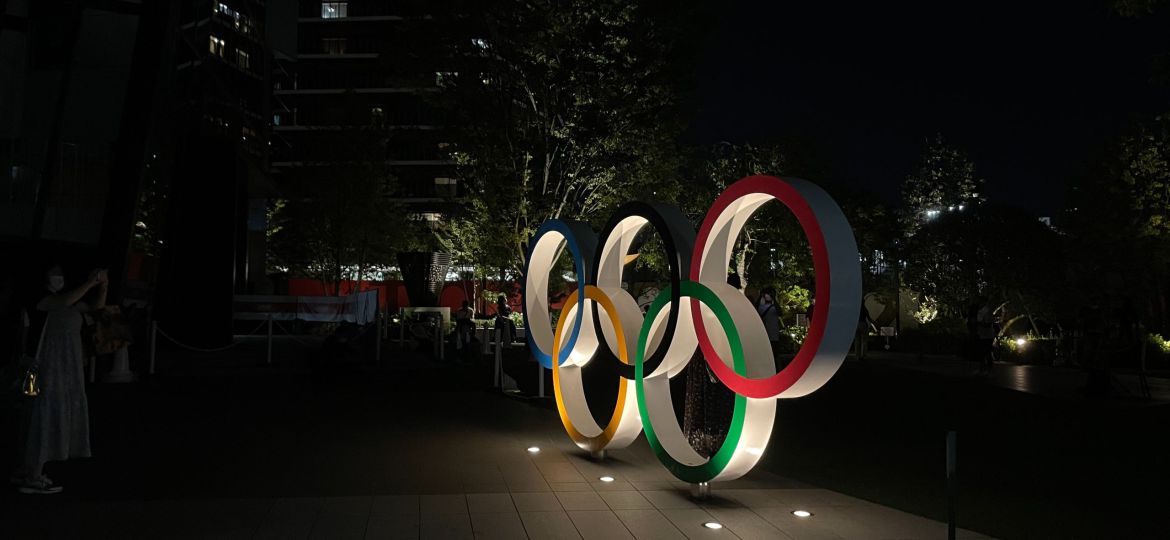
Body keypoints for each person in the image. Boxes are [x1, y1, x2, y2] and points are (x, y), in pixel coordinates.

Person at [12, 264, 106, 494]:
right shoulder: (42, 299)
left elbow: (95, 309)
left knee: (40, 413)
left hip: (63, 369)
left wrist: (103, 285)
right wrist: (91, 283)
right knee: (35, 413)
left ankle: (28, 469)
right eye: (54, 274)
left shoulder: (71, 300)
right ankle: (31, 473)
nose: (58, 278)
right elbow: (61, 303)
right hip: (39, 367)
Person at [757, 287, 782, 370]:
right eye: (766, 294)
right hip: (764, 335)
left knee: (775, 354)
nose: (767, 296)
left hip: (773, 334)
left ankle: (777, 370)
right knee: (764, 355)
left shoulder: (774, 306)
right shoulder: (761, 306)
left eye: (769, 294)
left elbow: (780, 313)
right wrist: (760, 296)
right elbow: (755, 309)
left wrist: (774, 299)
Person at [975, 295, 996, 374]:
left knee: (986, 352)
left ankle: (988, 370)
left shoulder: (987, 311)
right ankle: (983, 369)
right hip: (982, 334)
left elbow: (988, 324)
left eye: (979, 301)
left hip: (987, 335)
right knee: (983, 352)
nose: (978, 302)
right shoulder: (980, 310)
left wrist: (977, 323)